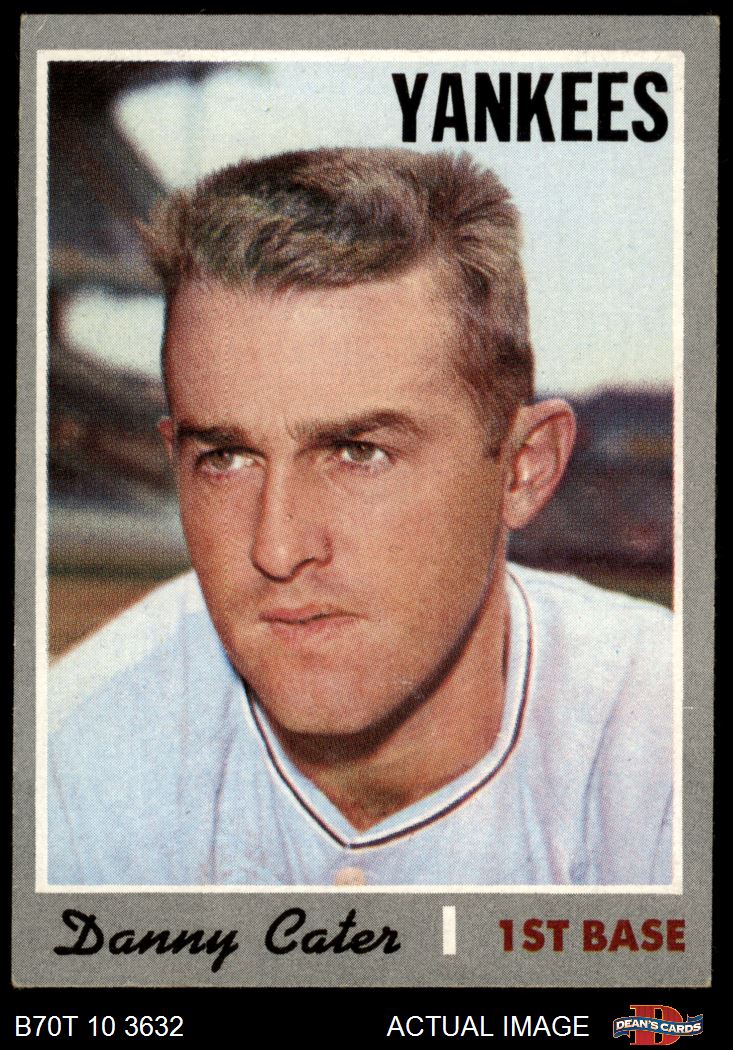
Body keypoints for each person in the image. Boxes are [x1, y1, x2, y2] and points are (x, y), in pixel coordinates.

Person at [47, 148, 673, 886]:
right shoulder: (72, 757)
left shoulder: (667, 735)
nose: (277, 547)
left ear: (522, 468)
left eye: (358, 452)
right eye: (226, 457)